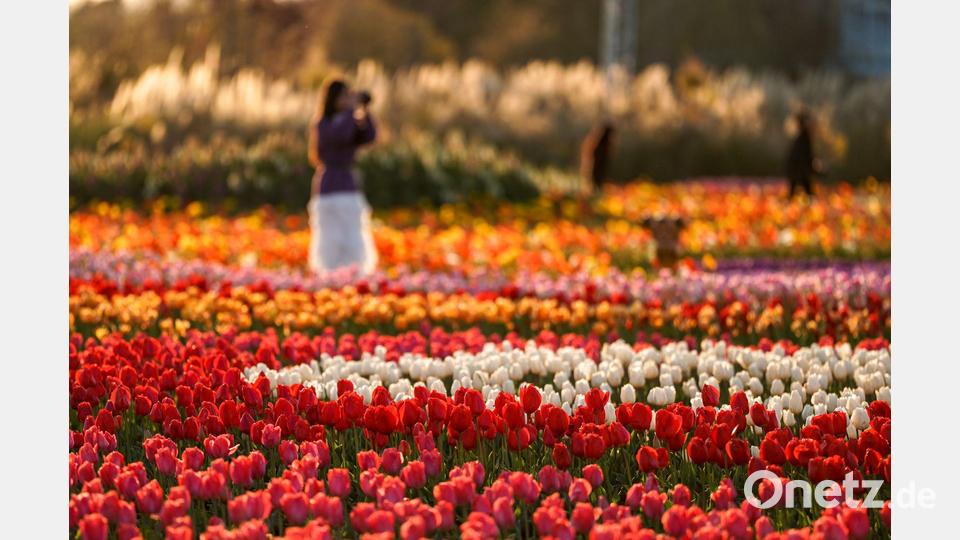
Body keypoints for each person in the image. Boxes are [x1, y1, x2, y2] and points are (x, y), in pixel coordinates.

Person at [307, 79, 378, 274]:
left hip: (348, 183)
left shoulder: (349, 120)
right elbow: (341, 135)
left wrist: (364, 110)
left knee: (352, 231)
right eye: (344, 96)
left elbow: (369, 136)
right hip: (329, 184)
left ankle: (354, 271)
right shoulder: (323, 123)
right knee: (330, 234)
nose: (348, 100)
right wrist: (351, 111)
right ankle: (329, 272)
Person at [785, 109, 823, 200]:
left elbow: (806, 155)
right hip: (800, 170)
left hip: (798, 169)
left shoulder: (802, 137)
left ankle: (794, 202)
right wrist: (813, 165)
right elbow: (806, 155)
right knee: (807, 190)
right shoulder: (804, 137)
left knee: (799, 190)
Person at [580, 123, 616, 194]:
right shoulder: (599, 145)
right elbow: (594, 159)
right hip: (596, 169)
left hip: (598, 169)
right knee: (594, 185)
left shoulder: (601, 144)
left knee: (596, 186)